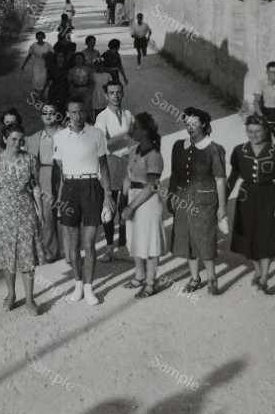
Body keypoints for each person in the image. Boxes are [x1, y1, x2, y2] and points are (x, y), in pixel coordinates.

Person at [52, 99, 115, 305]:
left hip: (91, 187)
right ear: (67, 114)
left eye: (80, 112)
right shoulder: (60, 137)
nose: (77, 116)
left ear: (85, 113)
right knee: (74, 242)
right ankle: (78, 285)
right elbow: (59, 170)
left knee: (89, 243)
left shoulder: (97, 134)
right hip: (70, 188)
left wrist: (107, 195)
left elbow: (103, 166)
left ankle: (89, 288)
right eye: (73, 112)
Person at [0, 127, 44, 315]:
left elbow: (35, 186)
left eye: (20, 140)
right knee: (8, 256)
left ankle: (30, 299)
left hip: (26, 212)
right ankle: (11, 295)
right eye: (13, 139)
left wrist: (40, 212)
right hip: (2, 213)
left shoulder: (31, 159)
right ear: (4, 139)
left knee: (27, 256)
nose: (17, 143)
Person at [167, 107, 228, 296]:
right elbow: (174, 174)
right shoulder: (178, 146)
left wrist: (222, 208)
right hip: (183, 200)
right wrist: (170, 196)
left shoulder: (214, 149)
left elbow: (220, 179)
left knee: (205, 238)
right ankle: (194, 278)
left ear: (203, 124)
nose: (190, 127)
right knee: (187, 239)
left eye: (194, 123)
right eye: (187, 124)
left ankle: (212, 278)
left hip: (204, 201)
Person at [227, 114, 275, 294]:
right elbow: (233, 177)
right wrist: (222, 200)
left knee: (266, 236)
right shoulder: (239, 151)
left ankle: (263, 278)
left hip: (268, 198)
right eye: (250, 131)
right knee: (249, 236)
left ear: (265, 131)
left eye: (258, 131)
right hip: (246, 199)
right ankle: (258, 270)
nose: (253, 135)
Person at [122, 112, 166, 297]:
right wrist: (125, 192)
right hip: (133, 196)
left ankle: (150, 282)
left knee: (149, 241)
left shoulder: (154, 156)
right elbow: (129, 174)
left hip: (147, 202)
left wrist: (131, 207)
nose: (132, 130)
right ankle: (139, 275)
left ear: (146, 130)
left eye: (136, 127)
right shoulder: (134, 151)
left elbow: (150, 187)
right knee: (135, 238)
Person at [94, 81, 135, 261]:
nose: (115, 96)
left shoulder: (128, 115)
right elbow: (102, 145)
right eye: (111, 93)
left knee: (124, 206)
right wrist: (125, 141)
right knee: (109, 206)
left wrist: (126, 144)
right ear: (106, 96)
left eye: (118, 92)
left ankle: (122, 247)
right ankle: (109, 248)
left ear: (122, 94)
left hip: (127, 164)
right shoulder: (101, 118)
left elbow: (136, 140)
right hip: (110, 164)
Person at [25, 104, 64, 262]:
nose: (48, 116)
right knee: (47, 213)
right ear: (41, 116)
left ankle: (66, 249)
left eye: (52, 113)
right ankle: (50, 250)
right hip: (44, 173)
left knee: (63, 211)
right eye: (45, 113)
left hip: (62, 173)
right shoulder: (36, 137)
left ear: (57, 115)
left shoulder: (64, 134)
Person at [21, 31, 54, 99]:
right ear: (36, 37)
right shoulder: (33, 45)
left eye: (41, 35)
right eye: (38, 36)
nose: (39, 37)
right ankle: (37, 96)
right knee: (35, 80)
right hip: (36, 64)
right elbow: (29, 55)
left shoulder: (47, 45)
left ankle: (41, 95)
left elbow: (53, 54)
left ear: (43, 36)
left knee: (43, 80)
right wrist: (24, 65)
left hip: (45, 64)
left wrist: (47, 55)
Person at [44, 50, 71, 121]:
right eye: (58, 56)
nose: (60, 58)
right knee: (55, 109)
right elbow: (48, 80)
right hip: (54, 91)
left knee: (65, 109)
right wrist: (43, 91)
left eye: (62, 56)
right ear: (55, 58)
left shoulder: (68, 67)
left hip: (65, 90)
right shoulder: (51, 68)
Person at [67, 50, 94, 115]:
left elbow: (91, 81)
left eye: (80, 59)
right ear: (74, 60)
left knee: (86, 107)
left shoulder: (88, 69)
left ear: (83, 60)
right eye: (77, 59)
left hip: (86, 90)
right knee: (77, 107)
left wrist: (90, 91)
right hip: (75, 91)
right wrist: (71, 93)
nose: (78, 60)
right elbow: (69, 83)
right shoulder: (71, 70)